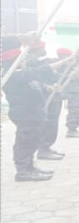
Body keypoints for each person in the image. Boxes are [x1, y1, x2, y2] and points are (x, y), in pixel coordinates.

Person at [2, 35, 54, 181]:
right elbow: (35, 73)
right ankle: (23, 171)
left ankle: (30, 166)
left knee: (33, 140)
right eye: (20, 59)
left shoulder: (17, 71)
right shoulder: (11, 73)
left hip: (32, 112)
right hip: (24, 113)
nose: (23, 61)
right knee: (25, 141)